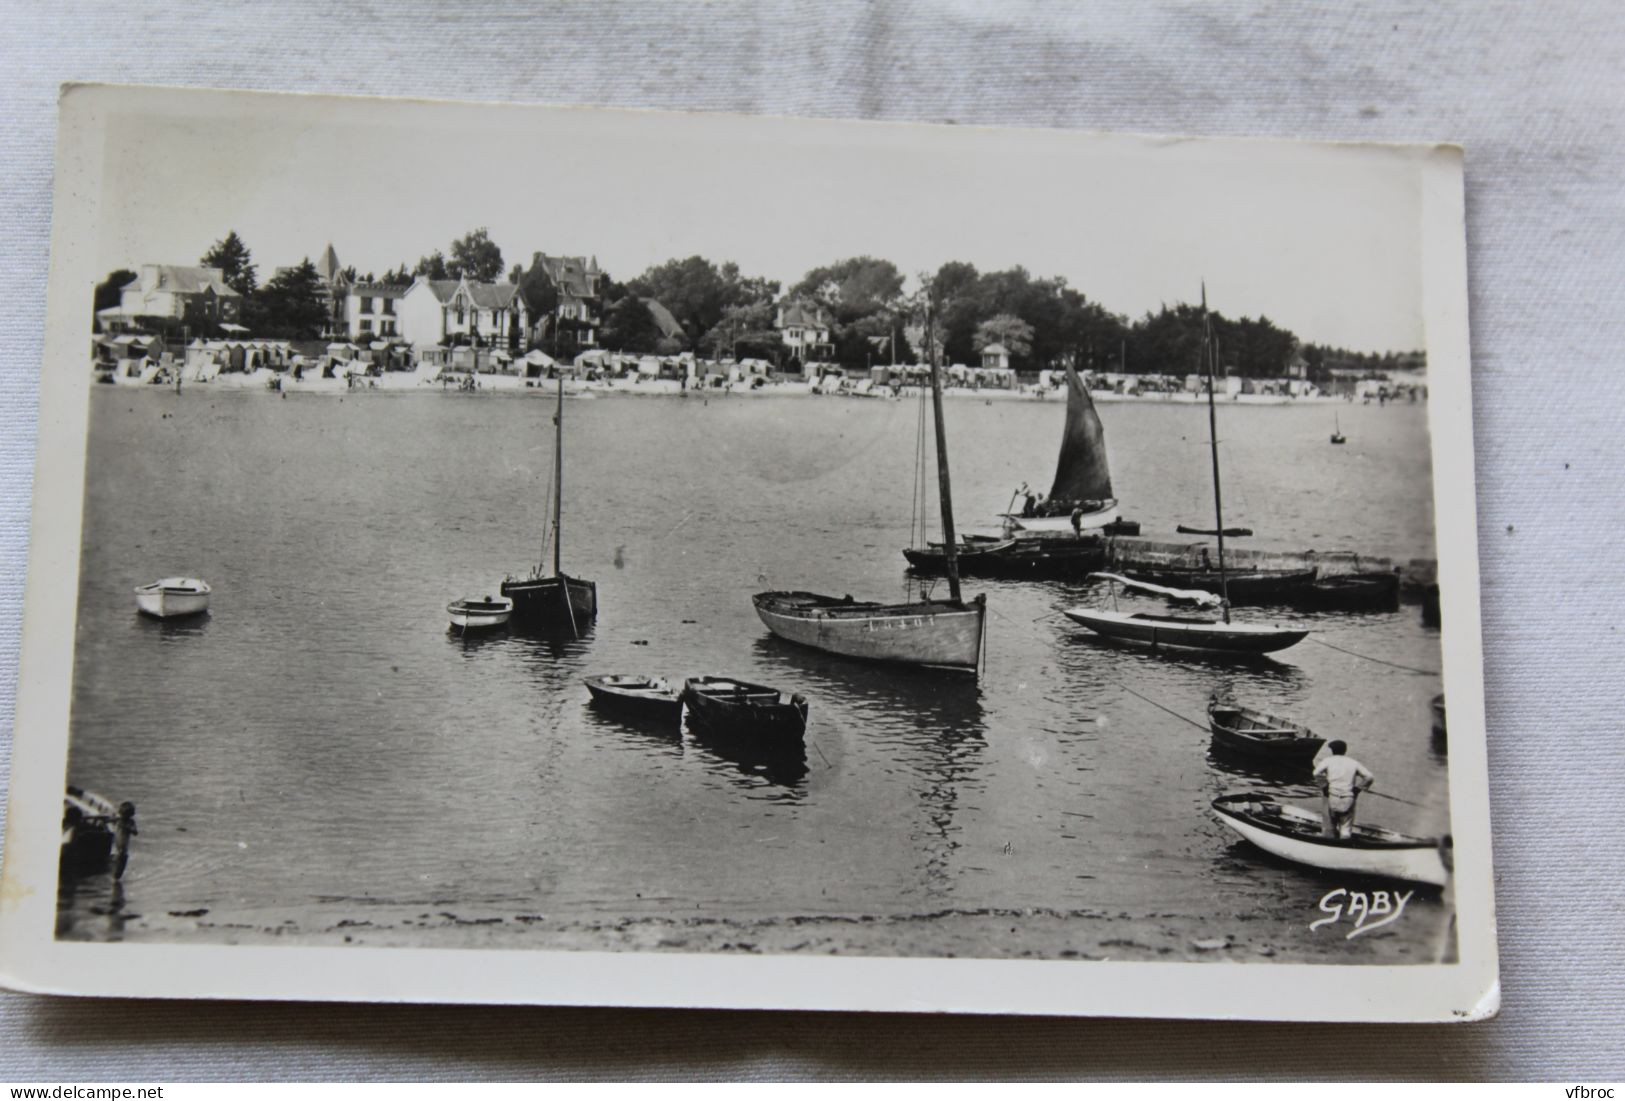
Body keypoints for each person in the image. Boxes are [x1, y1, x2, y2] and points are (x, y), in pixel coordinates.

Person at [1312, 740, 1375, 839]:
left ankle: (1328, 843)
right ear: (1345, 750)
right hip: (1348, 797)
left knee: (1328, 826)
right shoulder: (1353, 762)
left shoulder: (1327, 761)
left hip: (1331, 795)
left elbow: (1316, 773)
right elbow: (1369, 777)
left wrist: (1324, 786)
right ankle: (1344, 843)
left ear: (1332, 751)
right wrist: (1358, 789)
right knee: (1345, 827)